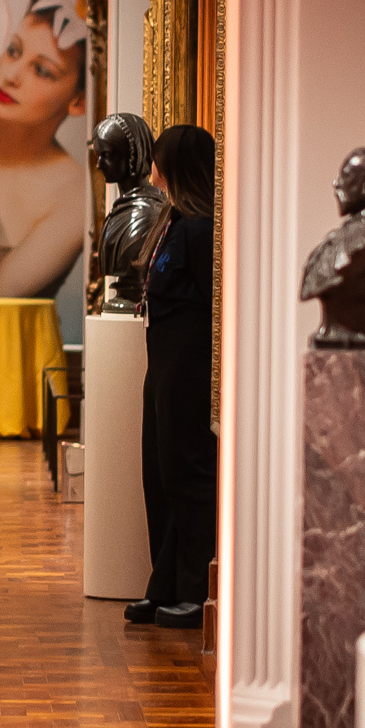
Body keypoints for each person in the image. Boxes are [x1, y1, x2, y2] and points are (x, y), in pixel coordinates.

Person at [131, 123, 219, 631]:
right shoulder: (175, 220)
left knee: (187, 474)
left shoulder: (198, 230)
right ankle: (163, 582)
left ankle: (192, 587)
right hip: (162, 362)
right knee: (160, 472)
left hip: (186, 365)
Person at [0, 0, 89, 298]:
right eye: (14, 51)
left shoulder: (75, 194)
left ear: (78, 101)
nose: (11, 75)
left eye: (42, 70)